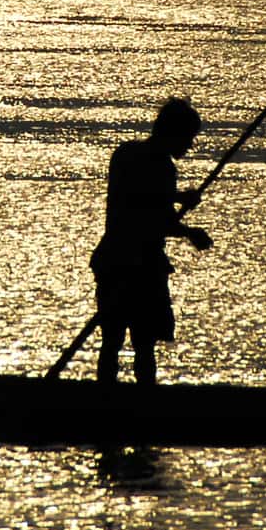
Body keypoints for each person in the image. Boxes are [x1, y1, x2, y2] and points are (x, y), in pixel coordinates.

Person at [89, 97, 215, 386]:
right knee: (141, 341)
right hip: (138, 265)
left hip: (114, 259)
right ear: (173, 133)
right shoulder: (162, 167)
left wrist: (176, 198)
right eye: (188, 137)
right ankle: (140, 403)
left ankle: (106, 397)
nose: (190, 145)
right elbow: (153, 218)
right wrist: (190, 232)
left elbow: (141, 201)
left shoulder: (126, 154)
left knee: (114, 338)